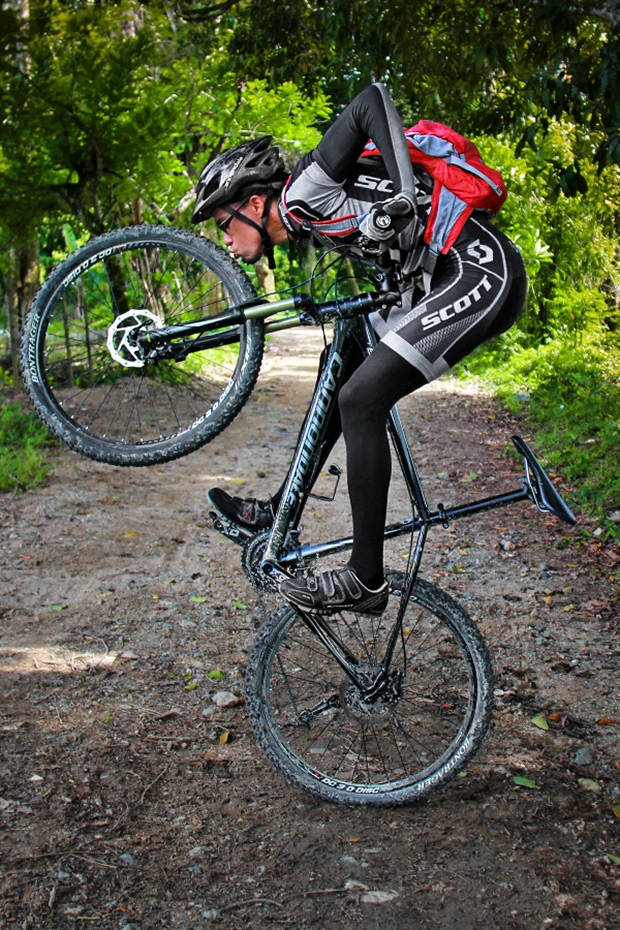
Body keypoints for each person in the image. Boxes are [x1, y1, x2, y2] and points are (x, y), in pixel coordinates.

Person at [192, 83, 527, 616]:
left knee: (360, 400)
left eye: (224, 224)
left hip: (478, 270)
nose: (226, 240)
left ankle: (366, 577)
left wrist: (400, 193)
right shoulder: (311, 222)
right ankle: (282, 510)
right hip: (447, 278)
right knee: (340, 360)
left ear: (255, 203)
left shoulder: (303, 191)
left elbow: (371, 101)